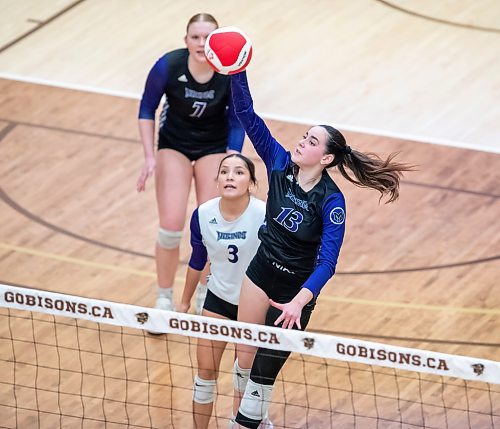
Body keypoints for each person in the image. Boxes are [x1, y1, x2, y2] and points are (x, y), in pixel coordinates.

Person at [228, 71, 413, 429]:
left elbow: (328, 262)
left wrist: (299, 300)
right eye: (303, 136)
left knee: (264, 372)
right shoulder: (278, 163)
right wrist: (238, 67)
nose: (301, 142)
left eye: (311, 141)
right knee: (245, 358)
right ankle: (255, 419)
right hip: (261, 271)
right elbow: (246, 112)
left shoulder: (331, 201)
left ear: (325, 158)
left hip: (295, 291)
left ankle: (246, 421)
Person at [137, 13, 245, 314]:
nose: (200, 43)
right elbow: (147, 109)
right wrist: (149, 156)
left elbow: (237, 121)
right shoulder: (168, 66)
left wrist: (230, 160)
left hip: (213, 148)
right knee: (171, 228)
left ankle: (204, 292)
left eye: (207, 37)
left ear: (217, 40)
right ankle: (163, 297)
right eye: (195, 37)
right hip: (174, 146)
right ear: (186, 41)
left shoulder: (230, 72)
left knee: (210, 227)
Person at [177, 154, 269, 429]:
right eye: (225, 172)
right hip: (218, 300)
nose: (230, 176)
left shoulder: (264, 214)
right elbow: (197, 260)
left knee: (244, 376)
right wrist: (183, 302)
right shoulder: (203, 215)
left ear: (251, 183)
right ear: (216, 181)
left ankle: (244, 423)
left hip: (253, 305)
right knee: (204, 375)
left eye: (239, 172)